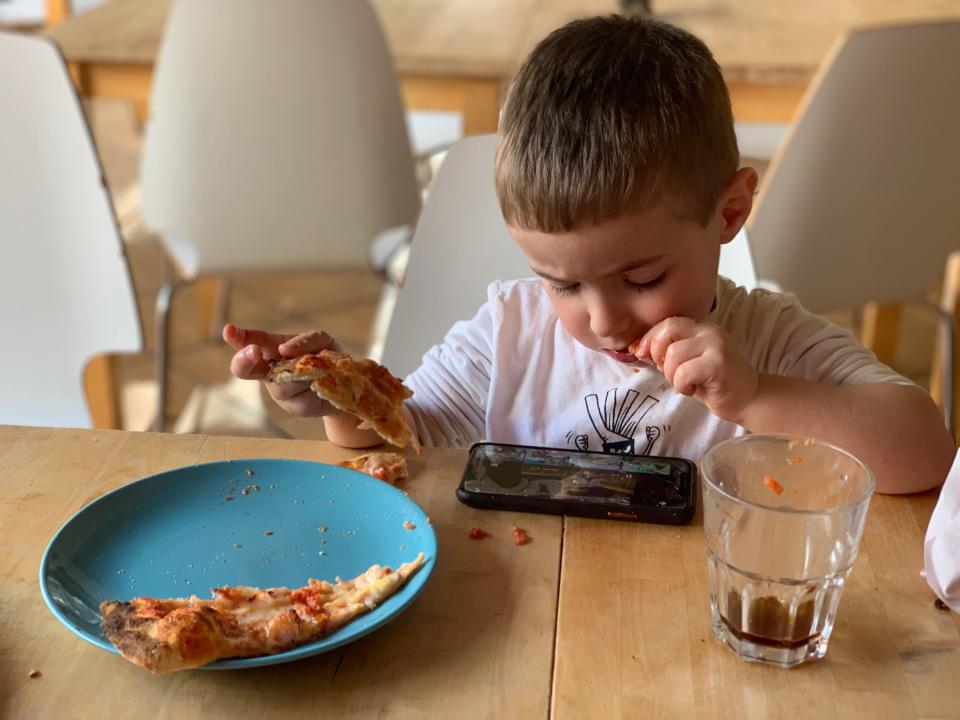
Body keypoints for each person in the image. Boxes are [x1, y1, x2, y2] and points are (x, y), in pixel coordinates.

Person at [224, 16, 953, 494]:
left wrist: (756, 394)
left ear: (728, 212)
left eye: (642, 277)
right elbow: (404, 438)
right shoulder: (508, 333)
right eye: (561, 283)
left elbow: (925, 454)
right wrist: (338, 393)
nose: (602, 319)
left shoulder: (768, 343)